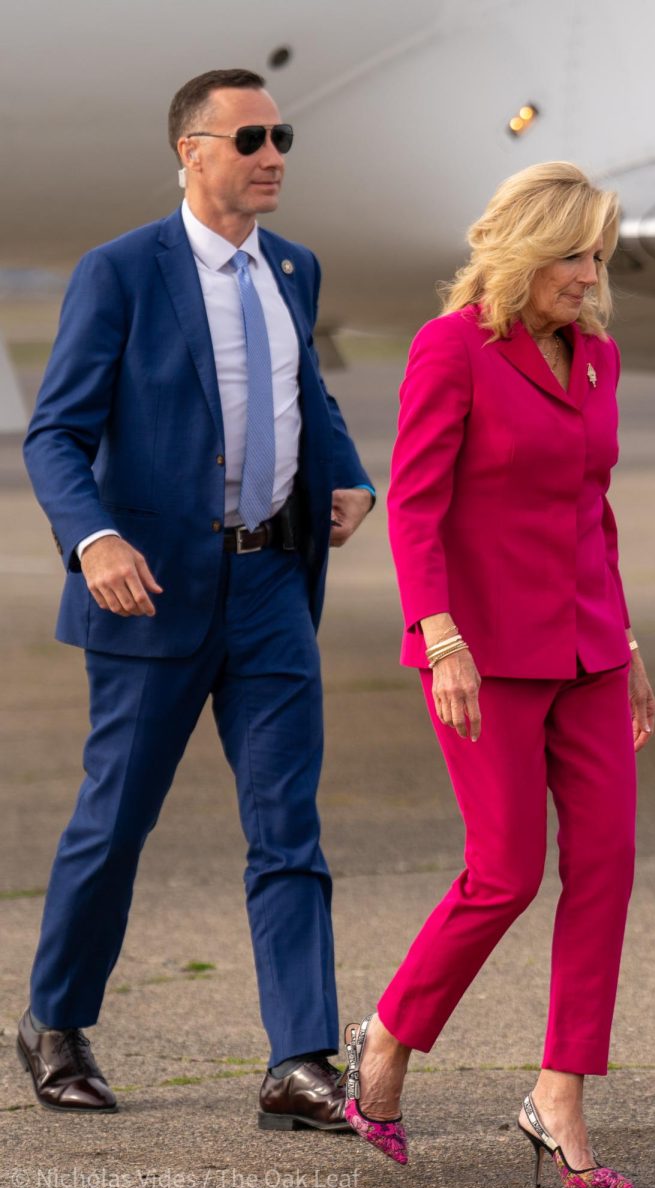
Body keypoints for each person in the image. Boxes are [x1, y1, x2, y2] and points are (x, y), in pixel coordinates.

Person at [17, 68, 374, 1132]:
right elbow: (56, 434)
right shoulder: (122, 271)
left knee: (287, 829)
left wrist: (345, 470)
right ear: (192, 152)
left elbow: (304, 388)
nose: (272, 155)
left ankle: (299, 1060)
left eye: (281, 137)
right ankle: (55, 1024)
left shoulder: (294, 270)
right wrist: (94, 539)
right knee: (115, 823)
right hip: (153, 593)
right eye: (250, 138)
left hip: (270, 584)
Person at [342, 162, 655, 1188]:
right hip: (480, 657)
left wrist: (630, 643)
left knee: (604, 860)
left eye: (598, 255)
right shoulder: (453, 352)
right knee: (505, 873)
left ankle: (558, 1090)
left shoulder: (598, 358)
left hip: (590, 650)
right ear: (523, 252)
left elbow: (590, 510)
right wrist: (439, 638)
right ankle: (388, 1039)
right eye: (573, 254)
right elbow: (415, 507)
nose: (588, 274)